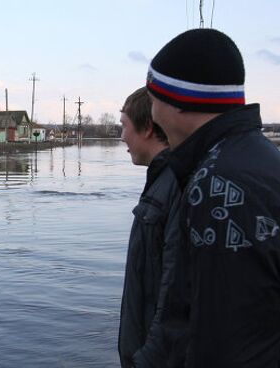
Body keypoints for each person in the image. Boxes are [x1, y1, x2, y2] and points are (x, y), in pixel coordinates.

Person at [136, 28, 280, 367]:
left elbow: (227, 343)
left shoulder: (221, 186)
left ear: (177, 103)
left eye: (153, 99)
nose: (151, 112)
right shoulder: (267, 163)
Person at [117, 87, 179, 367]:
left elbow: (173, 297)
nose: (122, 137)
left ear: (147, 128)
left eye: (124, 125)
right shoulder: (165, 181)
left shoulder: (173, 186)